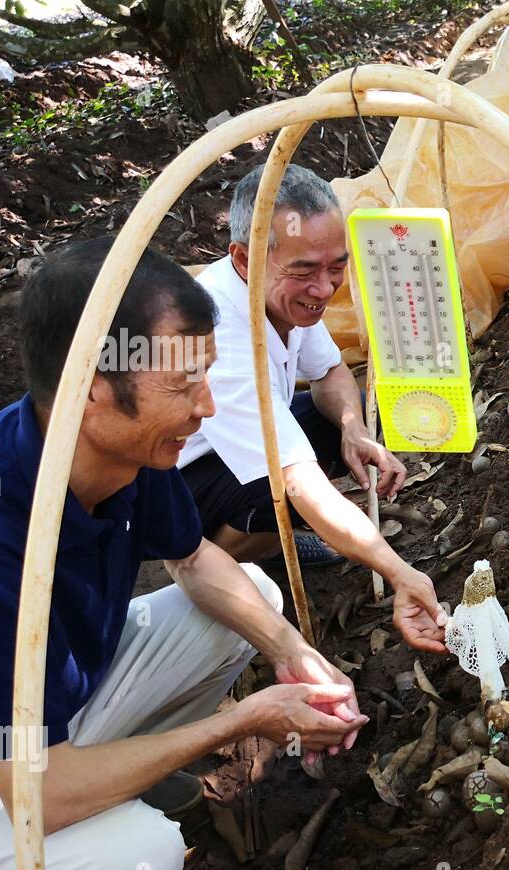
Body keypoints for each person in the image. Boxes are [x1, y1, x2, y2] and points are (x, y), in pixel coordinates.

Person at [0, 239, 367, 870]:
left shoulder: (128, 452)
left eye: (207, 378)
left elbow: (195, 556)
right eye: (183, 386)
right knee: (141, 861)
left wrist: (288, 649)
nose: (205, 408)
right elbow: (32, 790)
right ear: (90, 392)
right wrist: (240, 718)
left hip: (51, 718)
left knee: (253, 599)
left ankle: (110, 788)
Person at [178, 163, 445, 653]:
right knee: (279, 489)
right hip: (184, 481)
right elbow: (296, 478)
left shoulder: (285, 299)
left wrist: (353, 429)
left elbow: (331, 373)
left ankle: (275, 539)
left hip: (244, 448)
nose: (324, 289)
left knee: (334, 422)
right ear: (244, 258)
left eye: (336, 268)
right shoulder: (219, 332)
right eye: (303, 271)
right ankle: (225, 557)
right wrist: (398, 571)